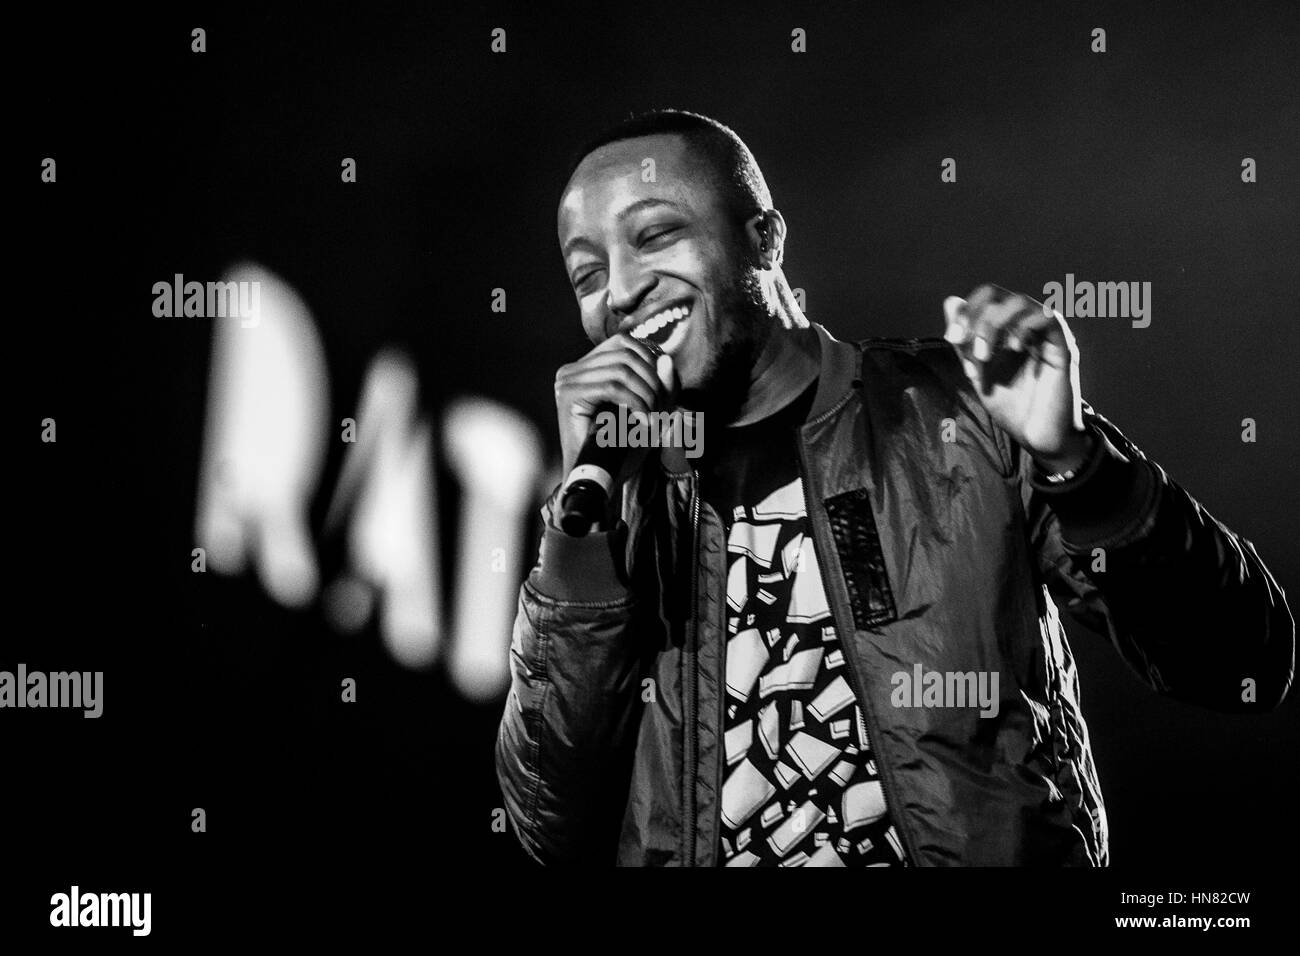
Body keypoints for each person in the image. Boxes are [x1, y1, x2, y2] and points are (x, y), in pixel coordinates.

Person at [494, 108, 1294, 866]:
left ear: (765, 239)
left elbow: (1240, 661)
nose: (622, 289)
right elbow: (551, 828)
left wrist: (1078, 461)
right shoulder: (606, 518)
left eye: (656, 235)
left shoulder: (961, 412)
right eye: (588, 272)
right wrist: (577, 529)